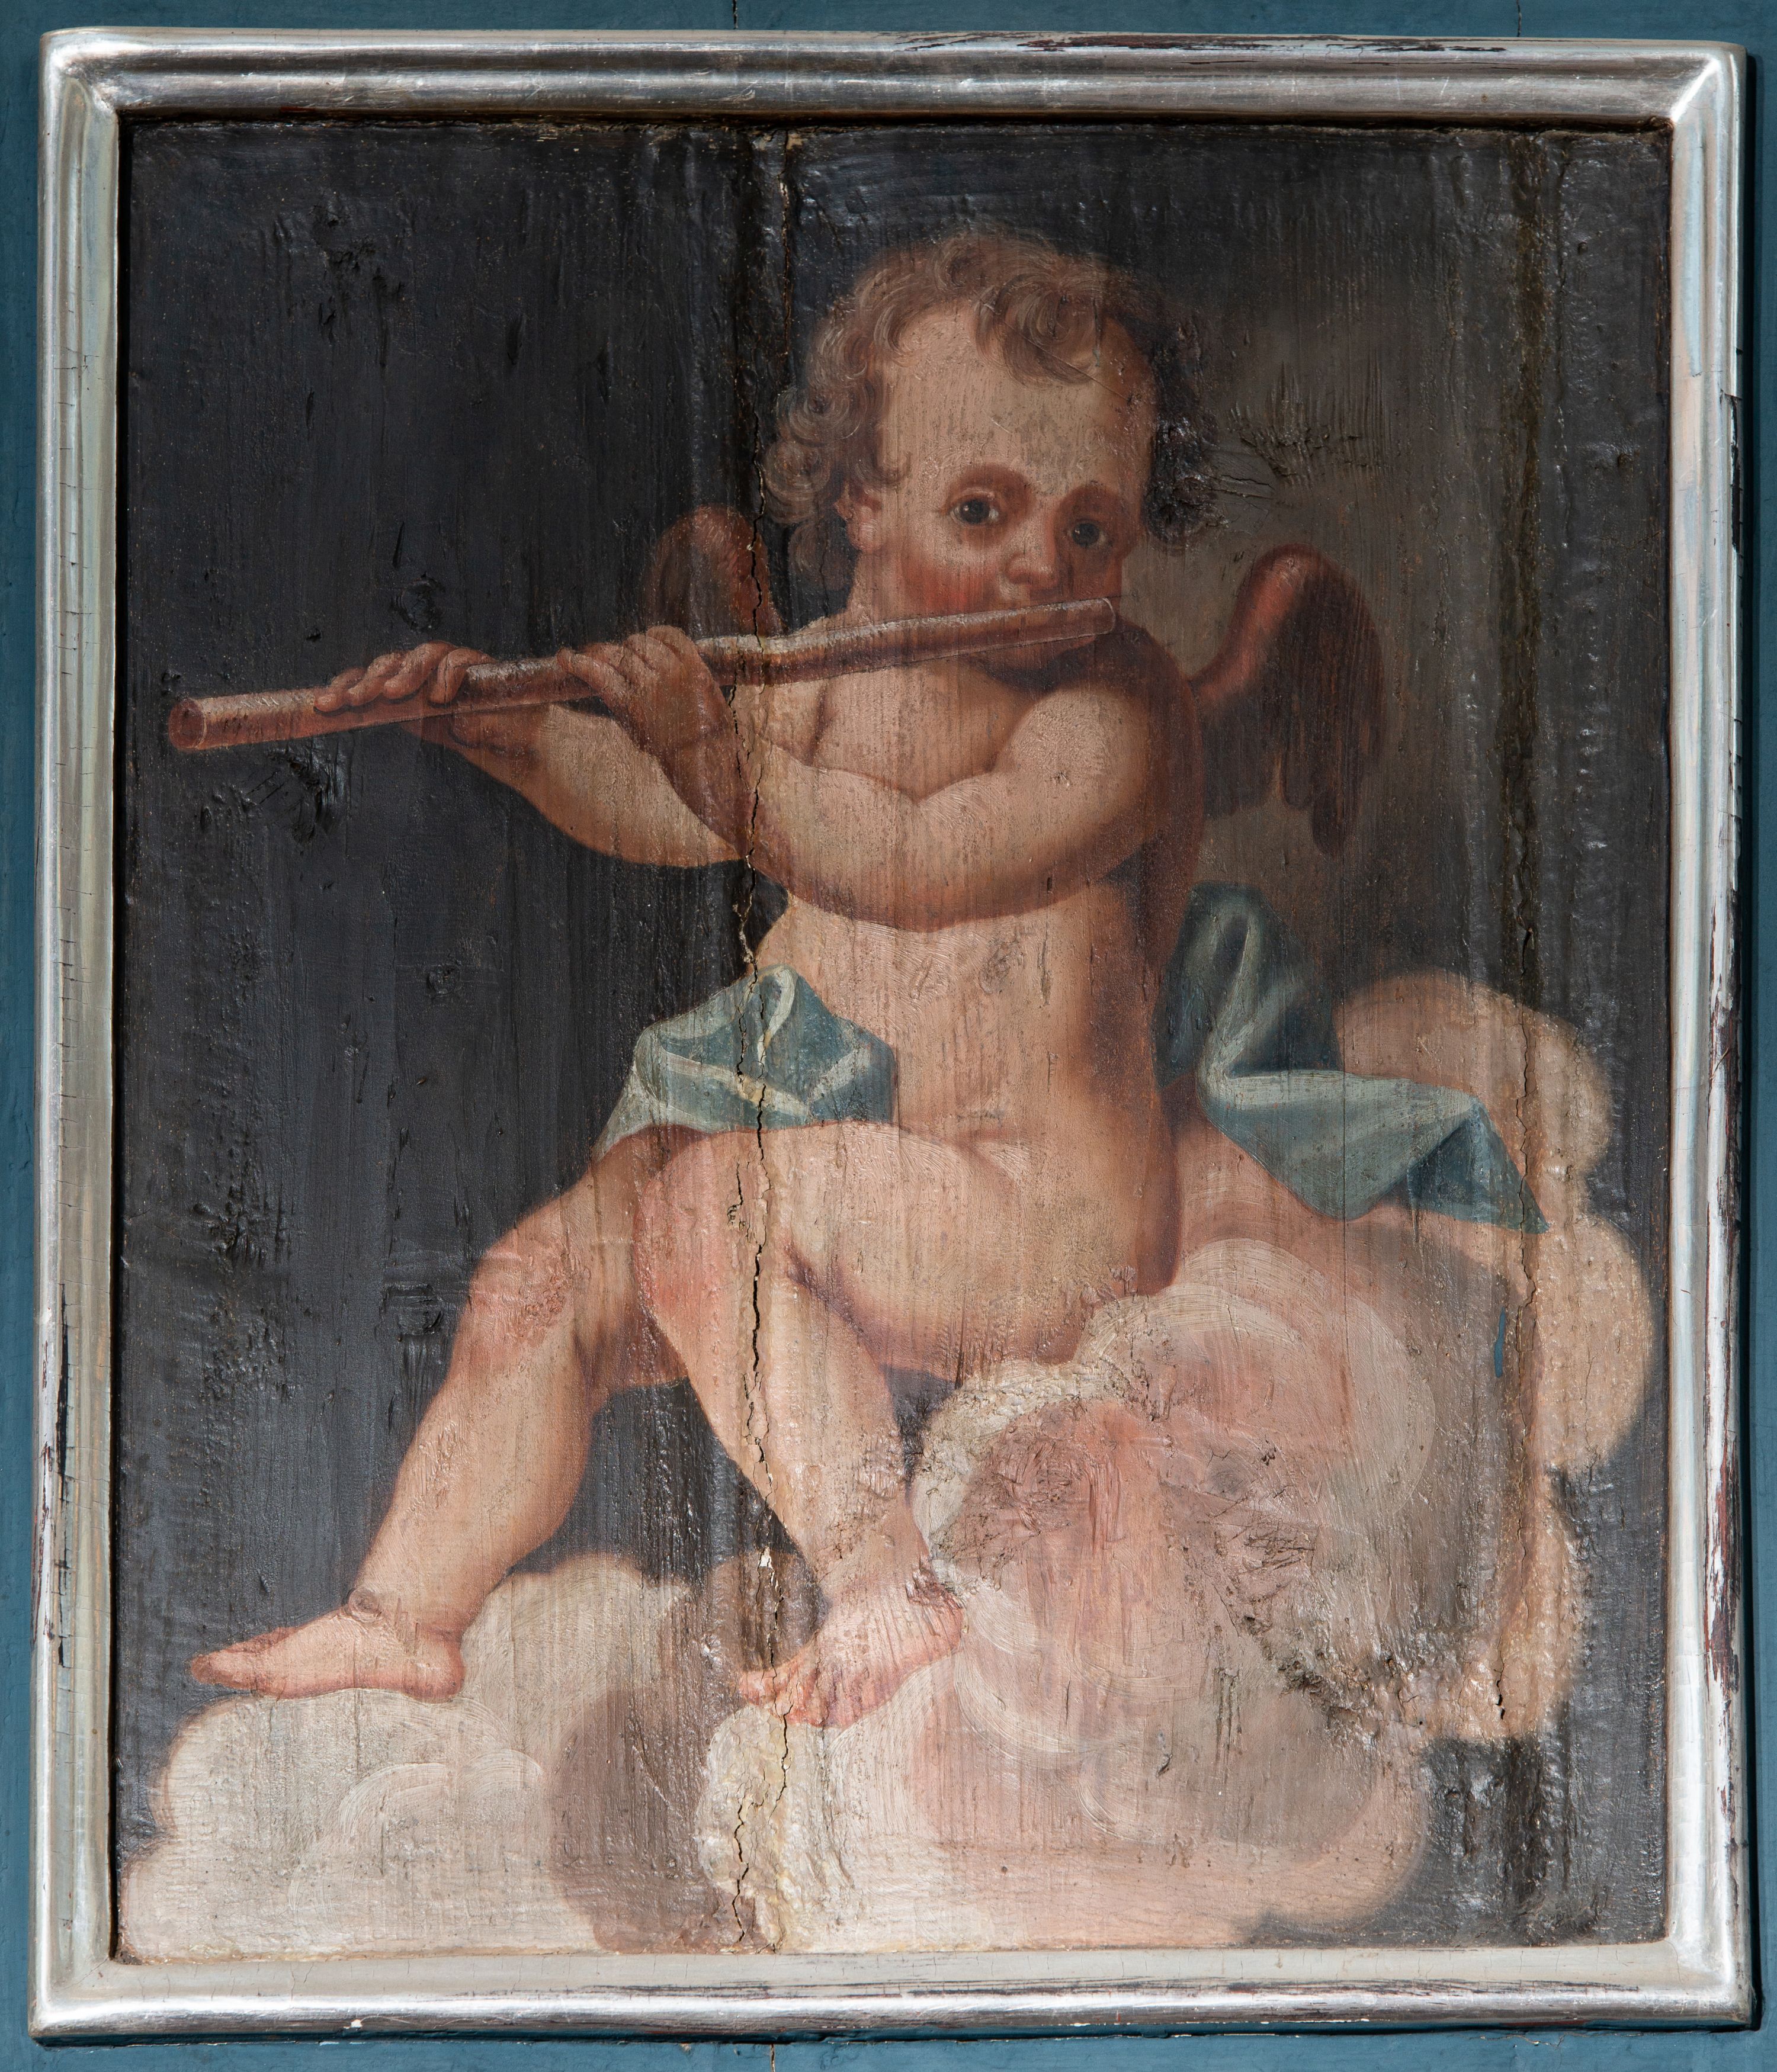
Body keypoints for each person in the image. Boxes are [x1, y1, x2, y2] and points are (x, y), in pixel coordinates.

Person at [194, 229, 1518, 1727]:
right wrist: (495, 732)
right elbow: (657, 806)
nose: (1044, 563)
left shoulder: (1120, 711)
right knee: (547, 1275)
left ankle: (889, 1586)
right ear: (863, 505)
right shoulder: (827, 673)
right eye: (985, 509)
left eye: (1092, 526)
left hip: (1046, 1223)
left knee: (714, 1207)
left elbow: (923, 858)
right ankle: (402, 1614)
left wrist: (716, 757)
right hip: (868, 1186)